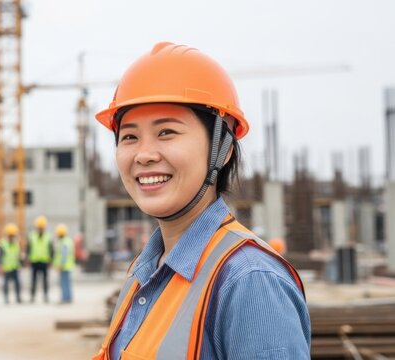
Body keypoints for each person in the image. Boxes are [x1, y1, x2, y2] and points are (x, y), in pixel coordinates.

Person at [92, 42, 311, 359]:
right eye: (129, 136)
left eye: (166, 132)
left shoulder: (249, 282)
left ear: (223, 150)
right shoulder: (143, 272)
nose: (144, 154)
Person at [27, 215, 53, 303]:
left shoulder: (48, 237)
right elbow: (28, 249)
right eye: (39, 227)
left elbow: (51, 250)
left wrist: (51, 261)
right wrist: (28, 259)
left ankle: (45, 296)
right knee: (33, 281)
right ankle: (32, 297)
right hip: (34, 262)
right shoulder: (32, 236)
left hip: (44, 261)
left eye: (42, 228)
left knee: (45, 281)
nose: (40, 229)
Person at [0, 223, 22, 304]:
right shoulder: (3, 244)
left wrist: (20, 264)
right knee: (5, 284)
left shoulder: (16, 244)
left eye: (13, 235)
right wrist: (1, 266)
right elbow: (0, 256)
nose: (12, 237)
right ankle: (6, 299)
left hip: (15, 267)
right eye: (11, 235)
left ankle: (18, 298)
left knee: (18, 284)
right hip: (6, 267)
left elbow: (17, 255)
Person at [53, 224, 75, 304]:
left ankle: (65, 298)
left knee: (64, 283)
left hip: (64, 266)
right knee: (66, 282)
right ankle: (67, 297)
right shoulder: (67, 240)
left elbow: (64, 254)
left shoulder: (65, 242)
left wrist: (61, 265)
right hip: (66, 266)